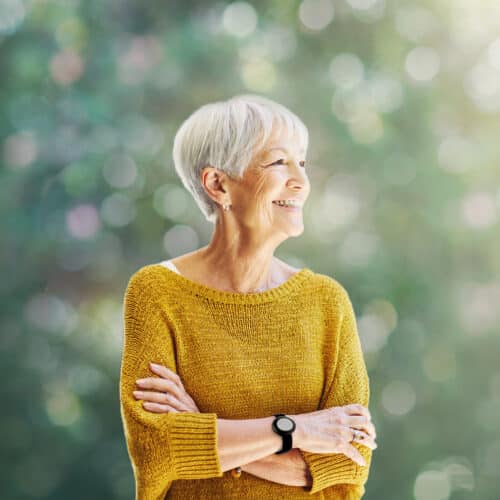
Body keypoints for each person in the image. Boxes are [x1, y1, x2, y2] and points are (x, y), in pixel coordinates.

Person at [119, 94, 377, 499]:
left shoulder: (327, 303)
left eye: (302, 163)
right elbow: (158, 448)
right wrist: (298, 430)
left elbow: (348, 462)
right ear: (218, 184)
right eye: (279, 162)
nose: (301, 181)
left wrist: (203, 430)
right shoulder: (156, 293)